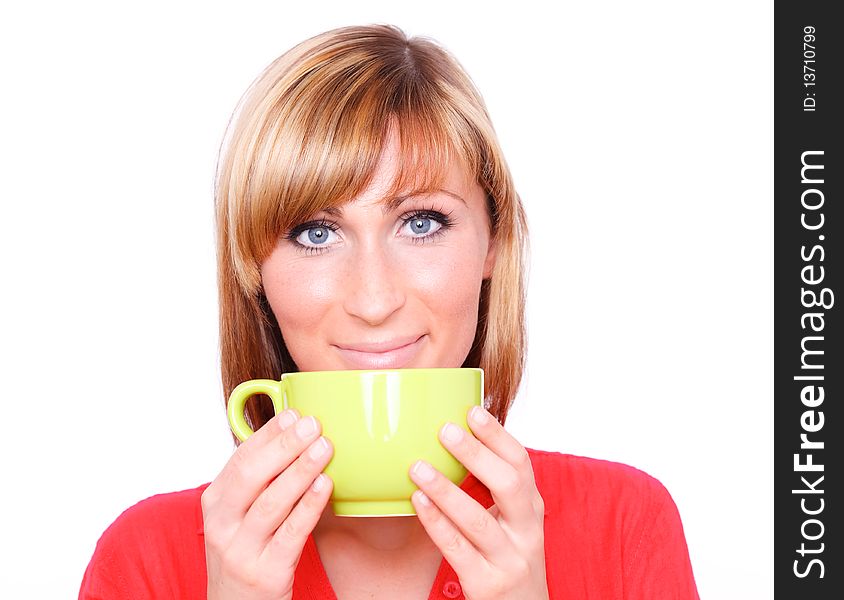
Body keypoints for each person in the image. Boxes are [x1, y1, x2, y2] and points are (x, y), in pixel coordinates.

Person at [79, 24, 699, 599]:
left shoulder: (625, 525)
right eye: (315, 233)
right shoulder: (145, 559)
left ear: (494, 243)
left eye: (422, 223)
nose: (374, 301)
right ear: (254, 273)